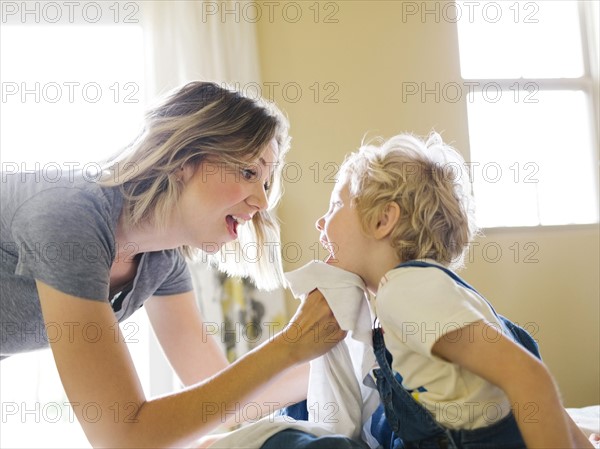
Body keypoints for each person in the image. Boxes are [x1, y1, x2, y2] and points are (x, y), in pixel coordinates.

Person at [0, 81, 345, 448]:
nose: (262, 200)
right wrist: (290, 344)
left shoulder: (160, 260)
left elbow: (220, 397)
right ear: (185, 160)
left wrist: (342, 360)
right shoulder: (70, 219)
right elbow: (121, 436)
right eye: (249, 173)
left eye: (266, 182)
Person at [314, 132, 594, 448]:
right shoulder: (429, 290)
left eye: (337, 204)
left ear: (382, 219)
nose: (320, 222)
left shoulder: (405, 292)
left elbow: (529, 378)